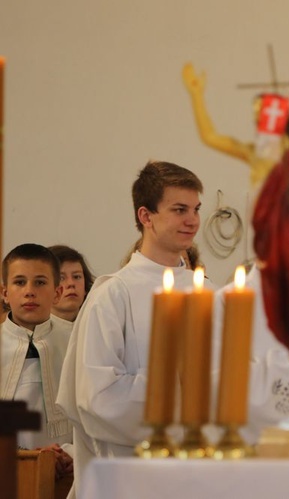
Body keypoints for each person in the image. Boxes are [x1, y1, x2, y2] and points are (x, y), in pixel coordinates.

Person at [56, 161, 205, 495]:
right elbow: (98, 399)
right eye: (179, 209)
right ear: (145, 216)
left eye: (195, 209)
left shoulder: (207, 293)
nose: (192, 220)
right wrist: (179, 391)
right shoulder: (113, 294)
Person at [1, 243, 74, 479]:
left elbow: (93, 410)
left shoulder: (77, 339)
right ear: (4, 292)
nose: (29, 291)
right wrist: (29, 456)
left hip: (69, 471)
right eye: (20, 282)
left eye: (40, 282)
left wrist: (71, 453)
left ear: (57, 292)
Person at [48, 245, 95, 323]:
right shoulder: (29, 331)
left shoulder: (97, 326)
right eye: (61, 278)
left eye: (76, 277)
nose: (71, 283)